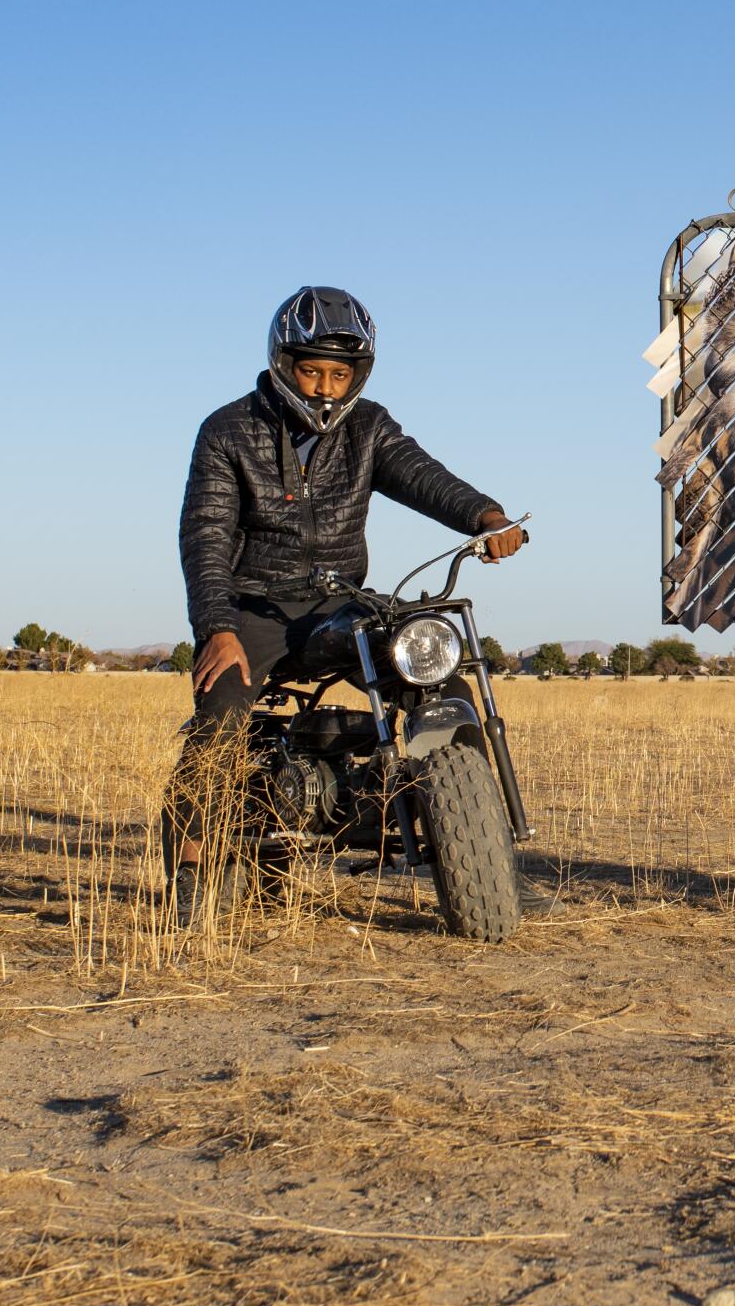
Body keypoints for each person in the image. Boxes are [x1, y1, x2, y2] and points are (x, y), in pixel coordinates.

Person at [169, 288, 522, 920]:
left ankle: (452, 815)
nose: (326, 387)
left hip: (340, 605)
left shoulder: (369, 427)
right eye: (312, 370)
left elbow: (422, 475)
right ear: (283, 364)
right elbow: (205, 537)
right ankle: (194, 858)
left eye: (340, 373)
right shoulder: (228, 430)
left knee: (430, 663)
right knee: (221, 712)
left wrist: (486, 516)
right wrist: (217, 627)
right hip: (255, 609)